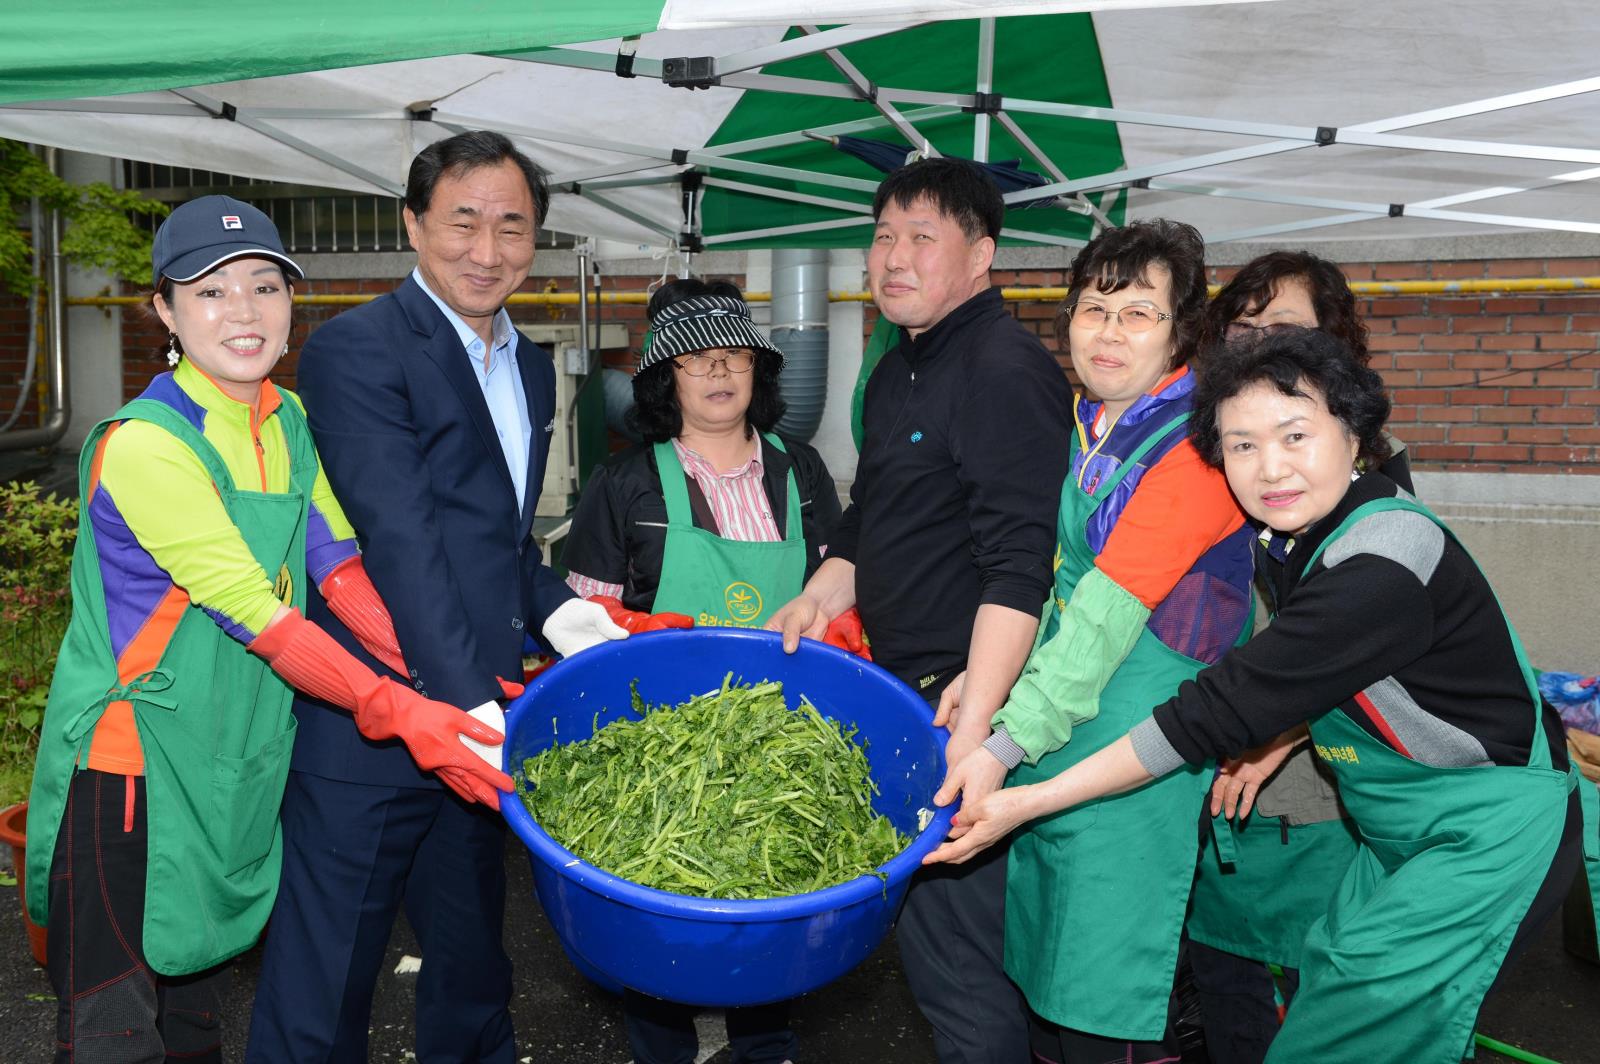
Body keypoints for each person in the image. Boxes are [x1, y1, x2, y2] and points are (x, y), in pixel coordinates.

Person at [928, 327, 1583, 1064]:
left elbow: (1205, 714)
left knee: (1343, 1038)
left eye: (1295, 434)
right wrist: (1278, 735)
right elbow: (1341, 675)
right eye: (1241, 446)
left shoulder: (1382, 563)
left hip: (1486, 837)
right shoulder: (1296, 539)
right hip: (1399, 835)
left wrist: (1021, 802)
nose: (1270, 468)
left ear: (1354, 434)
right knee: (1361, 1014)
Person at [26, 196, 511, 1063]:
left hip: (228, 758)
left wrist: (445, 678)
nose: (243, 311)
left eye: (263, 285)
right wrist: (401, 712)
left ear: (292, 303)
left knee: (192, 1017)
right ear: (165, 314)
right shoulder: (149, 444)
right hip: (131, 769)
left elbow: (337, 564)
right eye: (209, 292)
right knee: (114, 1030)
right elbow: (259, 615)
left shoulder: (285, 421)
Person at [246, 131, 626, 1063]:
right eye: (463, 222)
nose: (486, 252)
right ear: (413, 224)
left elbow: (487, 539)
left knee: (472, 966)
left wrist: (559, 612)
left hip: (476, 709)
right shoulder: (358, 349)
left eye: (512, 227)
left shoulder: (533, 365)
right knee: (326, 978)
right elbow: (402, 539)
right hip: (376, 722)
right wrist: (469, 705)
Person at [768, 157, 1072, 1063]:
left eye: (921, 239)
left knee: (959, 963)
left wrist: (976, 727)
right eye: (883, 236)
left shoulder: (1004, 367)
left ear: (982, 255)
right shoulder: (899, 364)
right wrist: (821, 595)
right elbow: (876, 512)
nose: (893, 258)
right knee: (938, 953)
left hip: (959, 705)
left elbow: (1023, 563)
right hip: (905, 689)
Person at [935, 220, 1256, 1063]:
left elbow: (1106, 617)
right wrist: (993, 683)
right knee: (1052, 983)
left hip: (1135, 753)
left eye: (1139, 312)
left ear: (1183, 333)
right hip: (1065, 724)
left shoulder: (1193, 447)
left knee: (1108, 999)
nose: (1109, 331)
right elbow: (1059, 590)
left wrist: (1002, 745)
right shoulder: (1092, 424)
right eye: (1093, 307)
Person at [563, 277, 844, 1063]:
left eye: (735, 359)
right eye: (696, 362)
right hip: (658, 749)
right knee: (657, 942)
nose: (719, 374)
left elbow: (842, 589)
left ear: (758, 374)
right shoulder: (625, 485)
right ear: (665, 380)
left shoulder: (802, 472)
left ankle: (767, 1046)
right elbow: (582, 626)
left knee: (770, 920)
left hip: (785, 741)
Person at [1187, 249, 1413, 1063]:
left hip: (1312, 797)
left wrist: (1271, 731)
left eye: (1282, 328)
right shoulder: (1223, 457)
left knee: (1311, 1007)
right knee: (1231, 998)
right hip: (1220, 779)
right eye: (1241, 328)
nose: (1257, 345)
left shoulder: (1372, 492)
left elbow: (1338, 647)